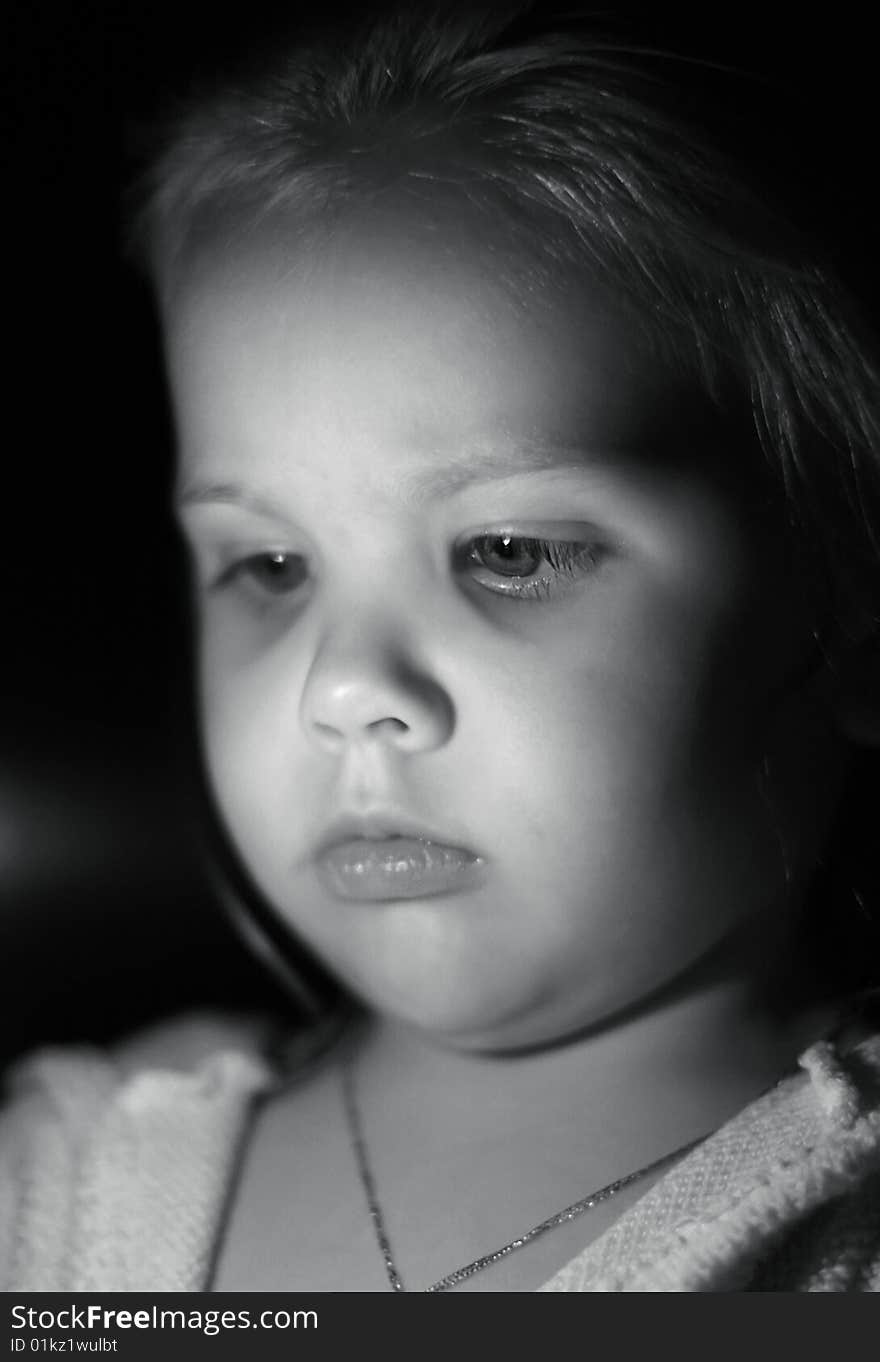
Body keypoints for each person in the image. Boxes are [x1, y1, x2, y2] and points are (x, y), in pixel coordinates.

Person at [3, 1, 880, 1292]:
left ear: (853, 614)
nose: (343, 687)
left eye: (509, 550)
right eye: (272, 565)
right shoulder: (56, 1169)